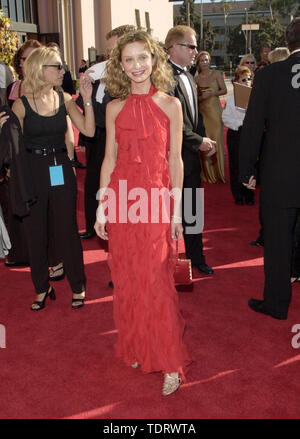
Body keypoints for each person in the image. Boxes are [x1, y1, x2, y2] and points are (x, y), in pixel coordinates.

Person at [94, 30, 191, 396]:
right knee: (130, 278)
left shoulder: (170, 105)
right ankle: (136, 346)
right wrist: (102, 209)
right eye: (129, 59)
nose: (137, 66)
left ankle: (170, 362)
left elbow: (176, 161)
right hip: (122, 201)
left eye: (142, 57)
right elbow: (109, 160)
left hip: (155, 203)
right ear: (120, 65)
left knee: (158, 284)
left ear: (154, 59)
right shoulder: (114, 107)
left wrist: (179, 212)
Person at [12, 46, 95, 311]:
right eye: (57, 66)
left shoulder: (65, 98)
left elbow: (88, 130)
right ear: (40, 69)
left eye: (62, 66)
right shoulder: (21, 106)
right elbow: (13, 149)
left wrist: (87, 98)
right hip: (33, 169)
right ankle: (41, 287)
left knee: (66, 228)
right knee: (35, 231)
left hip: (59, 166)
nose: (63, 71)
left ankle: (78, 285)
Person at [239, 18, 300, 320]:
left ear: (288, 43)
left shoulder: (268, 75)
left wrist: (247, 169)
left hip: (280, 176)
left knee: (277, 241)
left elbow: (252, 127)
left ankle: (276, 304)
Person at [165, 25, 215, 276]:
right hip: (171, 158)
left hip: (191, 157)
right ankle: (164, 261)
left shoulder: (189, 75)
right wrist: (199, 141)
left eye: (196, 46)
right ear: (174, 47)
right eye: (191, 46)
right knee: (168, 212)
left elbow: (195, 118)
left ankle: (197, 256)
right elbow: (172, 124)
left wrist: (202, 137)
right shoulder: (162, 77)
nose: (196, 51)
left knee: (193, 208)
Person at [79, 25, 136, 240]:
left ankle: (118, 227)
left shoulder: (134, 77)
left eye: (115, 49)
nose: (111, 54)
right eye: (109, 50)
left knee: (120, 185)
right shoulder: (97, 71)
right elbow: (87, 106)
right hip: (98, 136)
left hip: (123, 140)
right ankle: (91, 224)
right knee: (93, 179)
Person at [222, 66, 254, 205]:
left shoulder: (256, 98)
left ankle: (249, 194)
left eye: (249, 79)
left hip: (250, 135)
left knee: (250, 164)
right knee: (235, 165)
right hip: (236, 134)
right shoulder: (231, 100)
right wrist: (241, 122)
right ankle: (238, 195)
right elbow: (226, 118)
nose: (247, 82)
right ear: (237, 81)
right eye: (243, 79)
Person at [195, 51, 227, 183]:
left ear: (210, 61)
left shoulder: (216, 74)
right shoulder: (196, 79)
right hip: (203, 113)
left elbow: (224, 90)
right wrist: (202, 97)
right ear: (198, 63)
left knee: (217, 141)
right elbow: (195, 98)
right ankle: (209, 175)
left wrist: (213, 93)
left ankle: (219, 173)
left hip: (215, 112)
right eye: (202, 60)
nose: (204, 62)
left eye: (206, 60)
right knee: (206, 142)